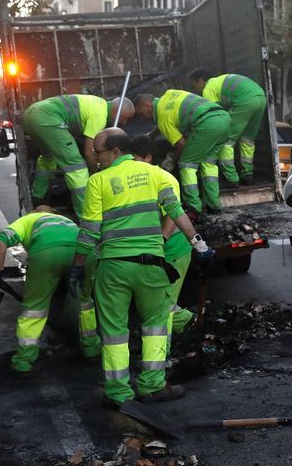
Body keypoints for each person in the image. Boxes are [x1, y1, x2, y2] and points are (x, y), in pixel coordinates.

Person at [72, 127, 213, 409]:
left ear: (115, 151)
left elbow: (88, 231)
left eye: (97, 152)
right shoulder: (156, 174)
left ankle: (117, 393)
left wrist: (77, 266)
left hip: (113, 269)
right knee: (156, 327)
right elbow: (177, 212)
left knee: (113, 332)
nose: (94, 157)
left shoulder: (97, 181)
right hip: (151, 267)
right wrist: (200, 246)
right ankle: (152, 386)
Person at [0, 206, 101, 375]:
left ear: (34, 212)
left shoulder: (28, 219)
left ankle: (23, 361)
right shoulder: (67, 221)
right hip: (82, 254)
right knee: (84, 303)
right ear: (55, 213)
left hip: (46, 255)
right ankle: (91, 349)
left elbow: (2, 240)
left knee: (33, 309)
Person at [127, 134, 196, 338]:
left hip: (173, 250)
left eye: (134, 158)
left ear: (148, 158)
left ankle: (176, 338)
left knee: (163, 306)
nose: (130, 163)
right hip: (157, 250)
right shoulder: (138, 178)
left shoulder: (165, 179)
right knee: (157, 304)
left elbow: (173, 217)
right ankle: (186, 323)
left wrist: (160, 244)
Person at [23, 95, 136, 217]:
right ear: (115, 111)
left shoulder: (98, 103)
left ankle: (37, 197)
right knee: (76, 167)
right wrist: (96, 172)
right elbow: (88, 151)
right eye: (125, 118)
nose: (125, 123)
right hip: (49, 119)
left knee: (47, 158)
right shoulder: (100, 115)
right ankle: (86, 214)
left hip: (31, 115)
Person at [134, 90, 231, 216]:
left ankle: (194, 207)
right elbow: (167, 119)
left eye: (141, 114)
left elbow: (181, 144)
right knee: (209, 164)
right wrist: (151, 136)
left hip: (206, 124)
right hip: (224, 118)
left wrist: (170, 161)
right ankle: (214, 206)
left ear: (147, 105)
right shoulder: (169, 95)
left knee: (187, 164)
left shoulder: (163, 118)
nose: (142, 119)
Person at [190, 68, 267, 188]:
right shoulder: (219, 82)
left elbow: (215, 116)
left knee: (226, 140)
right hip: (261, 97)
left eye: (194, 86)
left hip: (245, 100)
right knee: (248, 140)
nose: (196, 90)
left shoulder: (208, 88)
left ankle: (232, 178)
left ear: (200, 81)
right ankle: (247, 174)